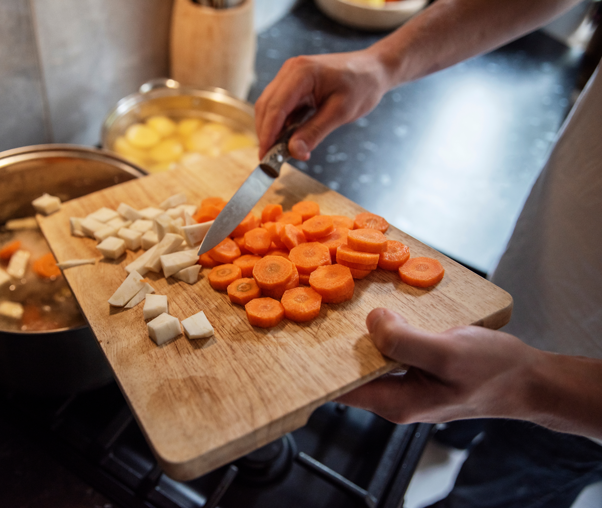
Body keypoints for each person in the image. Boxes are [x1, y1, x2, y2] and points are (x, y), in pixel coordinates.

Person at [254, 0, 602, 506]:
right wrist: (384, 61)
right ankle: (454, 433)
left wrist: (533, 386)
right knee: (477, 359)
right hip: (547, 260)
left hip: (584, 394)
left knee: (508, 480)